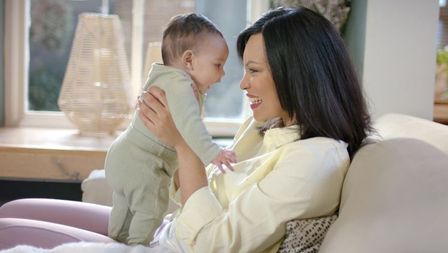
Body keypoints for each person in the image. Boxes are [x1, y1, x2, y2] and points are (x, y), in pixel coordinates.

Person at [0, 7, 372, 253]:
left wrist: (181, 144)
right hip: (167, 226)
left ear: (299, 74)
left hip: (175, 246)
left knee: (10, 234)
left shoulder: (316, 161)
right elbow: (196, 186)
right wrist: (160, 138)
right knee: (17, 208)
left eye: (254, 71)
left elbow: (212, 243)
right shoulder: (267, 127)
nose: (242, 85)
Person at [104, 13, 235, 245]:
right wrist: (213, 152)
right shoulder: (181, 85)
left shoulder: (163, 77)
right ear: (189, 61)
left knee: (124, 211)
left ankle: (114, 242)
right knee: (152, 210)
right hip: (142, 164)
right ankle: (136, 248)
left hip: (121, 155)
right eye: (218, 65)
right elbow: (190, 126)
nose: (222, 75)